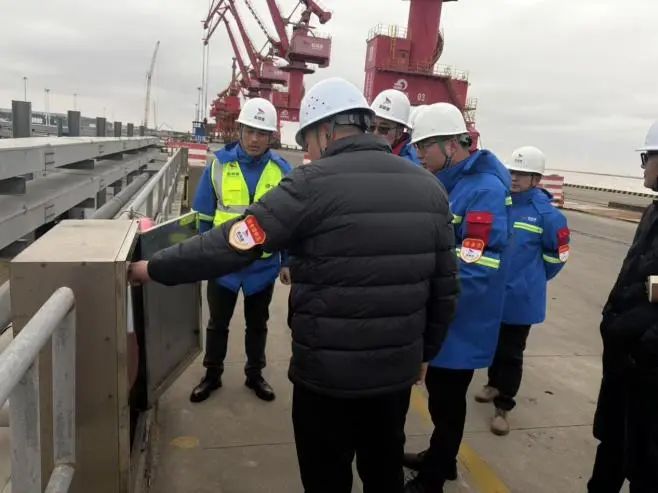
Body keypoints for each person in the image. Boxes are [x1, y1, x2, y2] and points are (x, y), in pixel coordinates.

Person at [129, 77, 459, 493]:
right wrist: (425, 353)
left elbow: (234, 242)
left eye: (307, 141)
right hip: (394, 374)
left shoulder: (309, 184)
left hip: (326, 378)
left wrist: (153, 268)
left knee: (326, 478)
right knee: (383, 472)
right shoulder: (429, 187)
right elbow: (445, 287)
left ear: (326, 130)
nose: (308, 153)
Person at [402, 103, 512, 493]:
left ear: (451, 145)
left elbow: (476, 267)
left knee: (447, 402)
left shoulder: (484, 190)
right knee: (439, 397)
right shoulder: (452, 181)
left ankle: (435, 477)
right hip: (447, 313)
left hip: (461, 318)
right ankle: (440, 457)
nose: (418, 154)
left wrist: (429, 294)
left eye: (423, 147)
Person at [189, 97, 292, 403]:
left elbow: (289, 223)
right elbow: (203, 216)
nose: (255, 139)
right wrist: (202, 257)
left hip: (263, 266)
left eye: (262, 133)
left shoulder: (282, 171)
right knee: (217, 324)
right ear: (240, 130)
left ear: (271, 137)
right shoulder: (218, 166)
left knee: (257, 325)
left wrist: (287, 261)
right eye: (250, 131)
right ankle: (212, 374)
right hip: (223, 263)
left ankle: (254, 374)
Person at [474, 146, 569, 435]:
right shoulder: (500, 204)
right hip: (493, 293)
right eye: (511, 172)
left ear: (536, 179)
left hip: (521, 299)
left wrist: (532, 279)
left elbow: (557, 257)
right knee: (493, 343)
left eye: (522, 174)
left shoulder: (547, 216)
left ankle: (504, 405)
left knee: (512, 353)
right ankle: (492, 384)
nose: (514, 178)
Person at [587, 121, 658, 492]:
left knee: (646, 467)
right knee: (612, 446)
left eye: (647, 157)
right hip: (624, 361)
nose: (643, 166)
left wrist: (644, 346)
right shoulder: (653, 212)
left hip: (648, 370)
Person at [369, 89, 420, 164]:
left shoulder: (411, 164)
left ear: (399, 133)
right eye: (371, 127)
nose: (375, 133)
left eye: (383, 129)